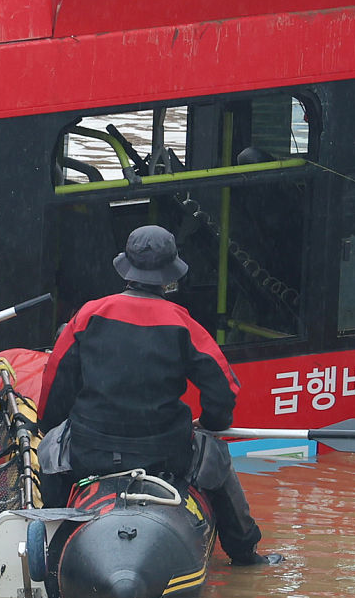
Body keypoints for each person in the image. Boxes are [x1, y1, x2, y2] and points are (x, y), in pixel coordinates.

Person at [37, 225, 279, 566]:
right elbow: (223, 389)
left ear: (126, 268)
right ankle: (244, 552)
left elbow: (55, 383)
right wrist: (212, 423)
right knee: (218, 455)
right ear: (169, 276)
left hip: (90, 452)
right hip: (164, 454)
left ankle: (53, 545)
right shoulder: (183, 324)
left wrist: (51, 426)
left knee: (49, 449)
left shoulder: (88, 314)